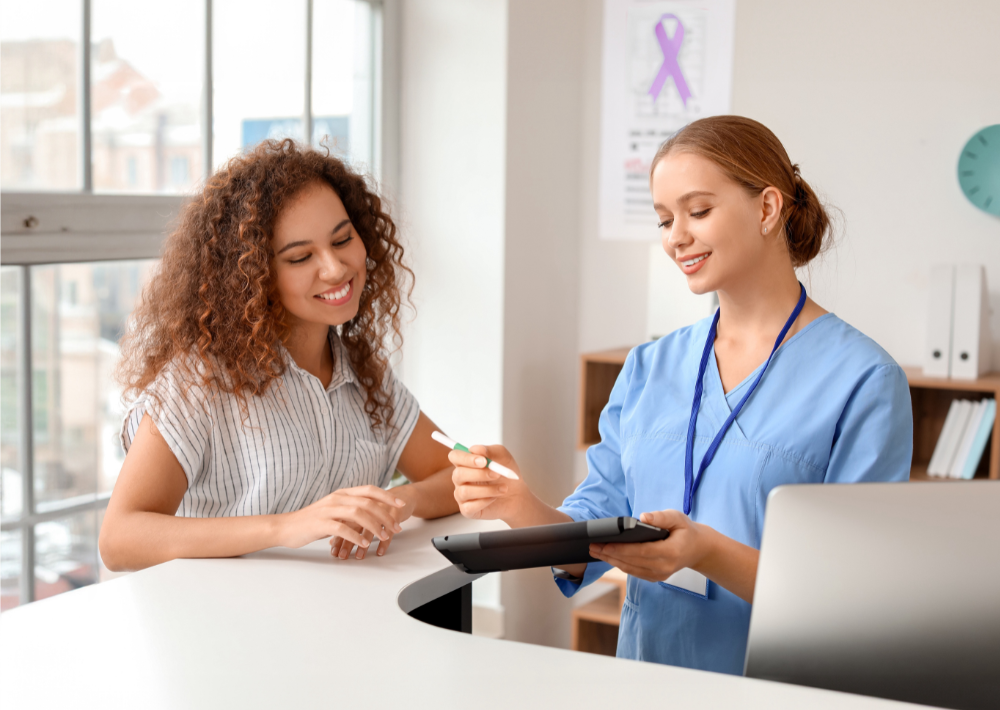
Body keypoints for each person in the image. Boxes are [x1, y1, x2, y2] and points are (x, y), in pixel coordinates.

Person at [449, 116, 913, 674]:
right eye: (666, 219)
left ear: (768, 209)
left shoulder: (863, 380)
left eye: (698, 211)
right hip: (649, 671)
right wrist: (518, 506)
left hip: (777, 682)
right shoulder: (650, 366)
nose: (676, 237)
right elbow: (595, 534)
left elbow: (851, 592)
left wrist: (706, 552)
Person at [100, 140, 458, 572]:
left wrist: (400, 500)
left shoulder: (363, 374)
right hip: (227, 625)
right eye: (301, 256)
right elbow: (119, 539)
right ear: (254, 276)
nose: (335, 268)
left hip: (345, 615)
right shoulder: (198, 381)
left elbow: (456, 476)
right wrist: (288, 526)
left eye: (343, 239)